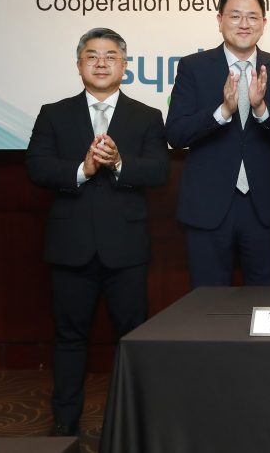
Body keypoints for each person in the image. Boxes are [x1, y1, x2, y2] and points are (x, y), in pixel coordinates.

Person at [25, 27, 169, 436]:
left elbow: (159, 172)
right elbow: (36, 167)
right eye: (92, 56)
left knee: (132, 337)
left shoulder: (146, 116)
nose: (101, 62)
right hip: (70, 248)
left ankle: (134, 423)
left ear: (125, 66)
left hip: (126, 249)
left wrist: (120, 163)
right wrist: (82, 170)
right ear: (79, 65)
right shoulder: (54, 113)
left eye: (110, 56)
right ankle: (64, 422)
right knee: (69, 337)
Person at [166, 0, 270, 287]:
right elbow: (175, 133)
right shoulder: (193, 68)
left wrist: (261, 108)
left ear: (264, 23)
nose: (244, 24)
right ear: (219, 19)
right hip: (208, 206)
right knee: (207, 305)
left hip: (263, 207)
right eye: (235, 16)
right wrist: (222, 111)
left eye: (253, 17)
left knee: (264, 302)